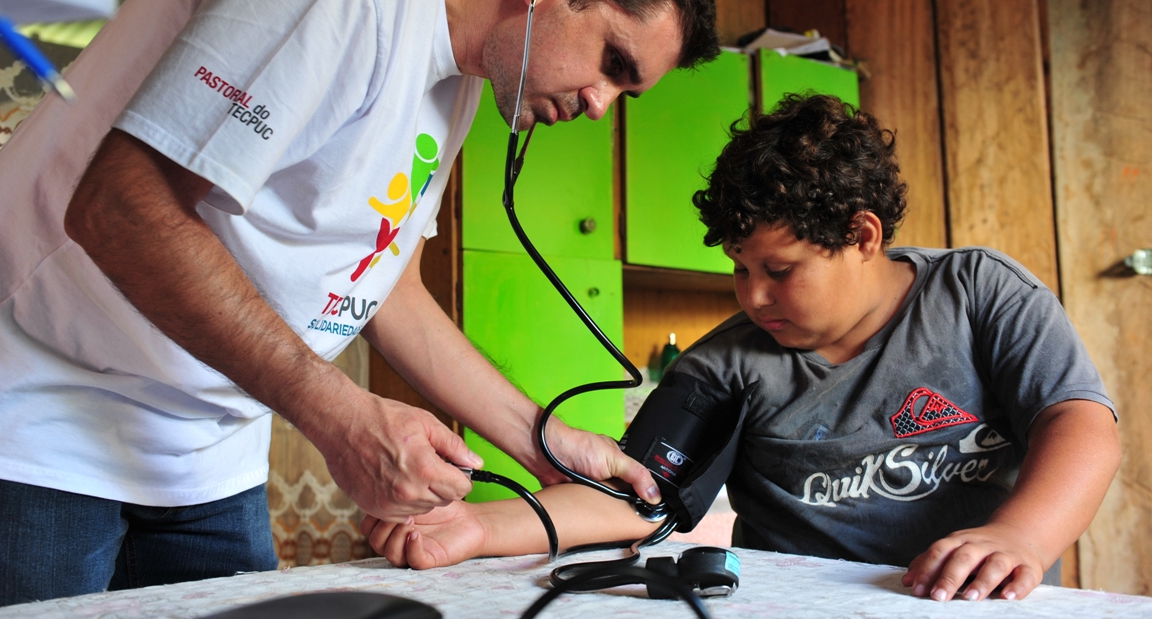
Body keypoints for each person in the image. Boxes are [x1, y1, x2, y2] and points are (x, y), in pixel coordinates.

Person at [0, 0, 719, 605]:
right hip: (46, 420)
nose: (600, 104)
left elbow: (382, 282)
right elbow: (120, 208)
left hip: (207, 457)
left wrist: (543, 440)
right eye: (613, 64)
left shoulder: (460, 74)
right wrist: (341, 416)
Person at [369, 93, 1121, 603]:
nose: (752, 296)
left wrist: (1022, 533)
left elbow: (1079, 421)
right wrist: (477, 528)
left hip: (982, 606)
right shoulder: (726, 363)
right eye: (738, 269)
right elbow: (637, 495)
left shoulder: (980, 292)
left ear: (862, 236)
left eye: (779, 270)